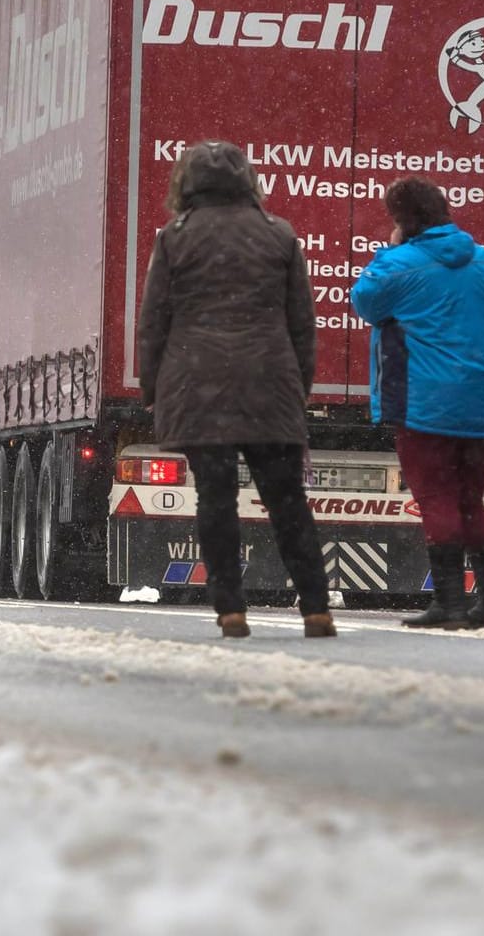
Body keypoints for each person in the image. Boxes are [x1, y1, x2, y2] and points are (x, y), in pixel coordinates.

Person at [137, 141, 335, 639]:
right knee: (287, 499)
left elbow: (154, 320)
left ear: (187, 183)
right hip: (270, 383)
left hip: (199, 383)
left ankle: (231, 608)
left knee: (215, 498)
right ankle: (315, 607)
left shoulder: (174, 238)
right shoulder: (279, 235)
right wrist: (298, 387)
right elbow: (302, 324)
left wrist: (152, 388)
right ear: (249, 181)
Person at [351, 178, 484, 629]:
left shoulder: (400, 264)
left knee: (436, 499)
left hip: (426, 404)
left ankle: (449, 603)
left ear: (401, 219)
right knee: (470, 501)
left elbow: (364, 302)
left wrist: (390, 250)